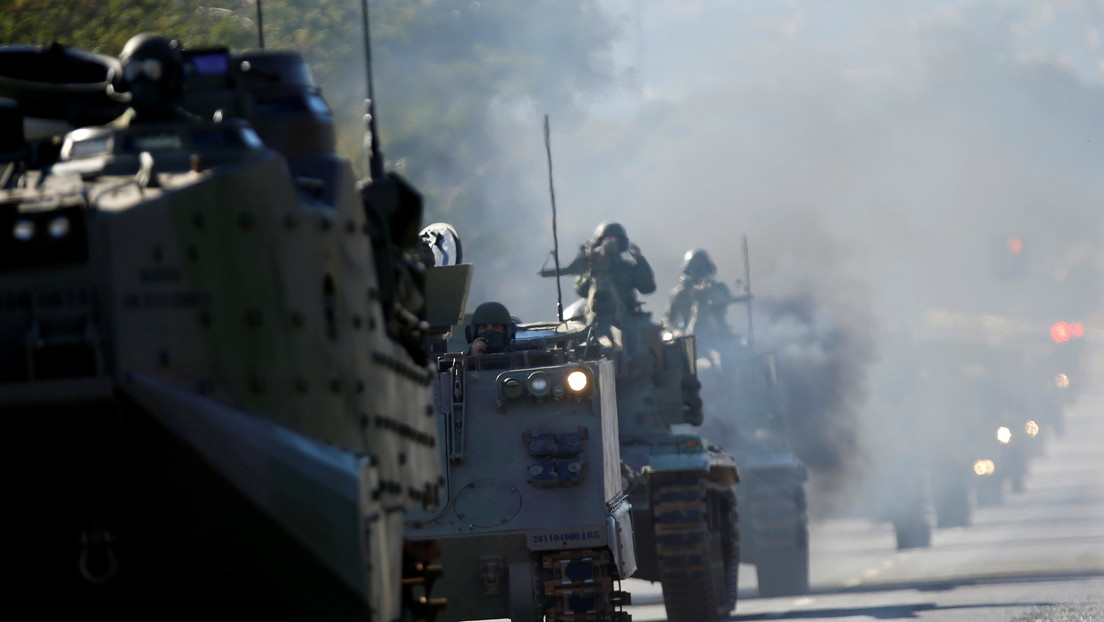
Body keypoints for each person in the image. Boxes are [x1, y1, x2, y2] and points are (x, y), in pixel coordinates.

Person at [566, 221, 656, 323]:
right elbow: (581, 290)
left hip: (627, 317)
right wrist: (593, 267)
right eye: (607, 238)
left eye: (615, 238)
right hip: (596, 317)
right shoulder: (592, 266)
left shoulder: (628, 268)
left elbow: (647, 288)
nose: (611, 242)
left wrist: (640, 259)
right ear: (599, 241)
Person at [663, 249, 744, 344]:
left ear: (708, 268)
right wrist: (675, 331)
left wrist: (706, 296)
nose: (698, 269)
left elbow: (724, 300)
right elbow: (667, 319)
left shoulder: (719, 288)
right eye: (694, 265)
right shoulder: (680, 293)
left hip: (718, 337)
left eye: (701, 265)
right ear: (688, 268)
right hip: (688, 338)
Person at [111, 33, 192, 125]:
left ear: (173, 78)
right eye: (133, 70)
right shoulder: (109, 134)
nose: (141, 79)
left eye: (151, 70)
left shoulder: (196, 131)